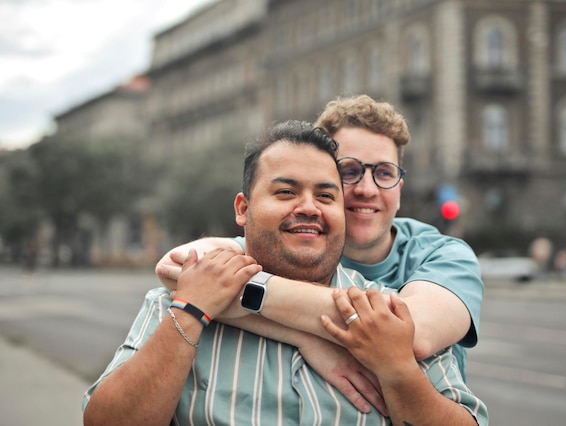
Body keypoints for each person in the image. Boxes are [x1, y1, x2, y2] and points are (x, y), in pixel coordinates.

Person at [83, 121, 487, 425]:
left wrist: (397, 371)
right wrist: (191, 312)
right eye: (286, 192)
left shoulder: (389, 312)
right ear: (243, 209)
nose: (309, 207)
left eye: (326, 195)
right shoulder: (181, 299)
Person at [156, 95, 483, 392]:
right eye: (349, 171)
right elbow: (175, 266)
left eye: (384, 173)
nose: (367, 188)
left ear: (400, 186)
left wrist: (298, 326)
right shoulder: (292, 244)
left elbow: (412, 335)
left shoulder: (443, 254)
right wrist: (304, 335)